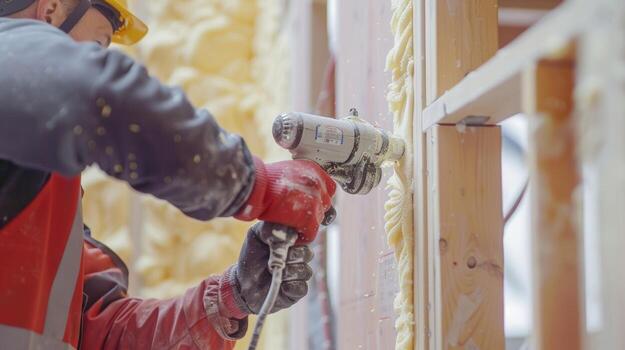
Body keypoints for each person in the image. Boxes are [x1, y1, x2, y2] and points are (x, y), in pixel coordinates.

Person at [0, 0, 336, 348]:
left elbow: (105, 337)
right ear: (51, 9)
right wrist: (258, 187)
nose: (98, 59)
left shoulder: (42, 212)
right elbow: (96, 93)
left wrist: (230, 298)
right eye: (98, 45)